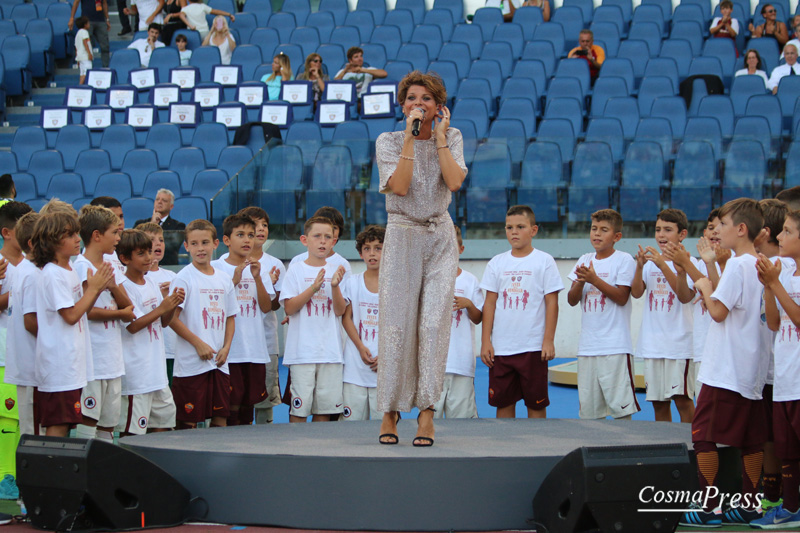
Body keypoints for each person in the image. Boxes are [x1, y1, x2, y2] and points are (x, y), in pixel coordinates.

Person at [375, 71, 466, 447]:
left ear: (439, 106)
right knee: (397, 326)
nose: (419, 104)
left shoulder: (453, 137)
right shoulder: (389, 140)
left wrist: (440, 138)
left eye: (427, 99)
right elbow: (399, 186)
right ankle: (390, 411)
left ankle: (427, 413)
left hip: (440, 237)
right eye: (412, 98)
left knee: (432, 325)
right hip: (402, 235)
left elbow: (455, 182)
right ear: (402, 106)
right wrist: (413, 138)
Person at [680, 198, 771, 528]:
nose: (717, 230)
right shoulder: (760, 263)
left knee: (703, 435)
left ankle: (709, 507)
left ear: (741, 229)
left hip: (726, 368)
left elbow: (718, 311)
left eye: (723, 225)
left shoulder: (737, 264)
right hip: (751, 369)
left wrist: (703, 285)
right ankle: (750, 504)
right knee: (750, 439)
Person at [32, 212, 114, 438]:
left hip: (72, 363)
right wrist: (94, 289)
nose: (78, 238)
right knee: (58, 423)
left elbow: (82, 309)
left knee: (67, 422)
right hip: (59, 364)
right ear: (52, 240)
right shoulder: (53, 274)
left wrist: (96, 289)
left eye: (77, 233)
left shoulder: (67, 270)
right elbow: (70, 315)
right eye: (70, 235)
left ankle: (60, 470)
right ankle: (52, 471)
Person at [481, 205, 563, 421]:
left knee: (535, 407)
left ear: (533, 230)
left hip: (533, 348)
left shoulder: (544, 261)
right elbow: (489, 304)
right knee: (503, 406)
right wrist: (485, 341)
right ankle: (507, 451)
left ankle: (537, 449)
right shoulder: (496, 263)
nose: (514, 232)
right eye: (509, 227)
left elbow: (552, 303)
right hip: (502, 349)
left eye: (520, 227)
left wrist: (548, 340)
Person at [567, 209, 639, 420]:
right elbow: (572, 300)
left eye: (604, 230)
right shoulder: (584, 259)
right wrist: (581, 281)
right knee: (590, 413)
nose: (596, 234)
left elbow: (622, 297)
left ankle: (624, 450)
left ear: (616, 237)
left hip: (615, 347)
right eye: (594, 229)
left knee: (621, 409)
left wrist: (594, 279)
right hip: (588, 347)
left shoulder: (624, 260)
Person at [752, 211, 800, 528]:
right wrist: (768, 286)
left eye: (786, 231)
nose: (779, 238)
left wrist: (774, 284)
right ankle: (791, 509)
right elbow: (773, 322)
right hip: (785, 378)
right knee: (788, 450)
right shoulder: (785, 272)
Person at [73, 206, 134, 442]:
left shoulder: (110, 266)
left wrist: (112, 286)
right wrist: (117, 313)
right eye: (114, 233)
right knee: (90, 418)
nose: (118, 238)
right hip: (93, 360)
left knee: (108, 423)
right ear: (97, 235)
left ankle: (101, 475)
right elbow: (86, 310)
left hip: (113, 359)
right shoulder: (81, 266)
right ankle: (82, 472)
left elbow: (129, 309)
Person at [168, 220, 236, 429]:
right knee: (188, 421)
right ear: (186, 246)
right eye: (194, 244)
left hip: (219, 364)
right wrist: (198, 344)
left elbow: (230, 317)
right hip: (191, 366)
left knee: (220, 419)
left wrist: (226, 348)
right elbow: (171, 318)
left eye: (205, 242)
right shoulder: (183, 279)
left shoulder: (224, 279)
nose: (200, 249)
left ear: (215, 244)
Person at [631, 209, 696, 424]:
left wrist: (662, 265)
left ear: (682, 234)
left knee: (683, 400)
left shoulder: (690, 262)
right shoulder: (650, 263)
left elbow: (684, 296)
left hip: (679, 345)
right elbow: (637, 293)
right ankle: (667, 450)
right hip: (652, 344)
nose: (661, 234)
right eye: (658, 229)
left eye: (668, 230)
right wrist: (640, 267)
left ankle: (694, 448)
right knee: (659, 403)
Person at [211, 214, 276, 426]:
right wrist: (234, 282)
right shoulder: (216, 268)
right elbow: (214, 307)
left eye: (250, 235)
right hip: (230, 351)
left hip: (254, 349)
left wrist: (256, 277)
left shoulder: (260, 269)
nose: (247, 240)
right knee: (230, 406)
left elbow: (266, 307)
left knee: (249, 405)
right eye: (240, 235)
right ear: (227, 240)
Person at [280, 216, 347, 423]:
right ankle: (296, 450)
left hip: (330, 352)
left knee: (324, 411)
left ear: (333, 242)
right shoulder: (296, 269)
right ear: (304, 239)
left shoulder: (338, 270)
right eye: (317, 236)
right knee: (299, 410)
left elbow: (339, 311)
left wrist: (334, 286)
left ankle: (320, 451)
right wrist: (313, 288)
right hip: (302, 353)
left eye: (328, 237)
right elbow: (290, 307)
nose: (322, 241)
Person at [117, 229, 183, 436]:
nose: (149, 257)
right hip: (137, 375)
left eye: (149, 252)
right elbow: (132, 325)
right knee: (134, 431)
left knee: (163, 425)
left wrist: (172, 304)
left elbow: (163, 322)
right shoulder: (123, 287)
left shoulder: (152, 283)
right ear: (125, 258)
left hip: (157, 373)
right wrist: (163, 307)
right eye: (141, 254)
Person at [231, 207, 285, 425]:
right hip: (234, 346)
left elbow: (272, 306)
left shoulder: (274, 264)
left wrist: (267, 284)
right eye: (254, 225)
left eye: (264, 225)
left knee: (264, 403)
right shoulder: (223, 264)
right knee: (235, 402)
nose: (260, 229)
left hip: (265, 344)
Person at [434, 225, 482, 419]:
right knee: (431, 420)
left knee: (463, 423)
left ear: (461, 249)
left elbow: (478, 318)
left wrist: (468, 304)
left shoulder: (470, 281)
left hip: (461, 364)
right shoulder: (428, 279)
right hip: (433, 365)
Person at [340, 225, 384, 421]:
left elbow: (400, 326)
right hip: (354, 368)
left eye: (378, 248)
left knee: (383, 427)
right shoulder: (352, 282)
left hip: (384, 368)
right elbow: (346, 318)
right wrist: (359, 347)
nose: (372, 253)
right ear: (360, 253)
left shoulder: (396, 285)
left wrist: (387, 355)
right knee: (351, 425)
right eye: (367, 248)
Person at [0, 202, 30, 490]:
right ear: (7, 232)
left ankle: (25, 474)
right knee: (8, 415)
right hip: (4, 352)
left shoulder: (36, 263)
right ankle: (5, 476)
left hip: (33, 352)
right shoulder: (0, 264)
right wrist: (17, 293)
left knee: (27, 417)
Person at [5, 212, 39, 437]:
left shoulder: (25, 271)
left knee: (35, 430)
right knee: (35, 433)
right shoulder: (30, 274)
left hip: (33, 366)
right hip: (32, 366)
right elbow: (31, 322)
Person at [134, 222, 178, 384]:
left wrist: (173, 299)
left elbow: (175, 317)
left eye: (161, 239)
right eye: (152, 240)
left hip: (171, 349)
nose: (158, 243)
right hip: (147, 351)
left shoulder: (172, 276)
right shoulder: (136, 278)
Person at [288, 207, 351, 276]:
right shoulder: (297, 260)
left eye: (334, 228)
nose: (328, 231)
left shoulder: (342, 264)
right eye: (318, 235)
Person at [134, 189, 185, 266]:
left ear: (171, 206)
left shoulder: (178, 226)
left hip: (169, 265)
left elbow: (172, 247)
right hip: (143, 265)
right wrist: (152, 224)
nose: (159, 202)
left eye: (164, 200)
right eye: (157, 199)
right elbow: (134, 243)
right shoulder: (140, 223)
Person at [68, 0, 111, 68]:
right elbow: (76, 2)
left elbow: (104, 3)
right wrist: (72, 18)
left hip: (100, 20)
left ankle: (106, 67)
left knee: (105, 45)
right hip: (86, 21)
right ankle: (87, 67)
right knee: (86, 45)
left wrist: (107, 19)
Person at [484, 0, 550, 22]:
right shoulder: (525, 4)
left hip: (510, 23)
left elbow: (515, 16)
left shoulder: (545, 2)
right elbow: (488, 17)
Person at [75, 17, 93, 85]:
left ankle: (81, 86)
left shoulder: (77, 34)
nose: (89, 24)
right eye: (88, 23)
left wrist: (77, 58)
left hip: (80, 56)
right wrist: (89, 54)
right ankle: (80, 86)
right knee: (87, 72)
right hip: (85, 56)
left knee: (82, 73)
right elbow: (85, 42)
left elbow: (76, 47)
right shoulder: (84, 32)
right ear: (85, 25)